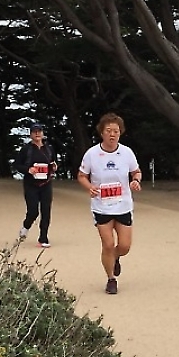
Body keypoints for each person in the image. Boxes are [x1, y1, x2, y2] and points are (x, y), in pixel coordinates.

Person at [77, 113, 142, 295]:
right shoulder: (92, 154)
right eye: (108, 131)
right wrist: (89, 187)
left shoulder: (127, 153)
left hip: (123, 205)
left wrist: (136, 180)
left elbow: (136, 171)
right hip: (101, 206)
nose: (112, 134)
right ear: (102, 133)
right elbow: (81, 176)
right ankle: (111, 279)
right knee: (107, 244)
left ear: (120, 133)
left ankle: (115, 257)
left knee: (124, 246)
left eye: (116, 131)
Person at [14, 122, 57, 248]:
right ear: (31, 134)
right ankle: (25, 227)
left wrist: (54, 167)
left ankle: (43, 238)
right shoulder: (26, 149)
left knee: (46, 211)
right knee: (33, 212)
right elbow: (17, 165)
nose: (37, 134)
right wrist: (28, 170)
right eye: (34, 132)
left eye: (39, 131)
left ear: (43, 133)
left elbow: (53, 163)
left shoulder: (49, 148)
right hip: (31, 184)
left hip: (46, 184)